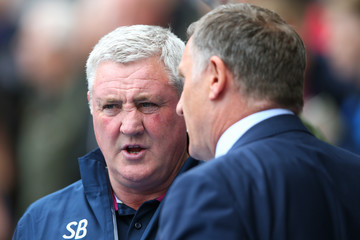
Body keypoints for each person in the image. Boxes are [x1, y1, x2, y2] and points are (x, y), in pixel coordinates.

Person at [157, 3, 360, 240]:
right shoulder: (353, 171)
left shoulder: (207, 189)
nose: (180, 107)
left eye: (186, 80)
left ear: (215, 77)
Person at [13, 25, 201, 240]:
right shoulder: (41, 223)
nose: (130, 126)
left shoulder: (232, 204)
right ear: (91, 106)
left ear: (185, 101)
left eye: (147, 104)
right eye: (111, 106)